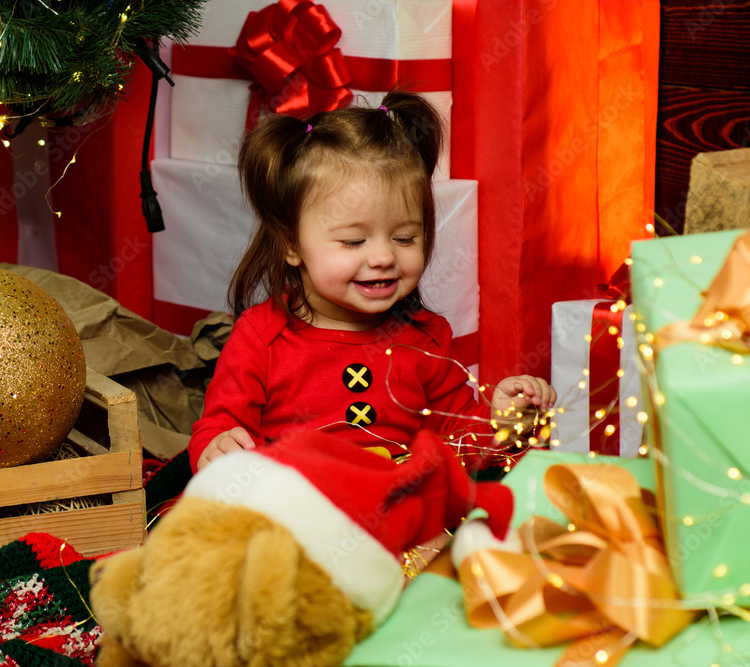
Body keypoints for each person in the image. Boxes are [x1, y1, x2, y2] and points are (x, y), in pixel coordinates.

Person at [189, 89, 555, 474]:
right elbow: (218, 426)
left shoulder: (426, 338)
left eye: (404, 238)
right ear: (292, 244)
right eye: (353, 241)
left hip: (400, 514)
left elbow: (458, 438)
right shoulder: (260, 337)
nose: (383, 258)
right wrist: (218, 446)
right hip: (294, 512)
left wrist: (503, 423)